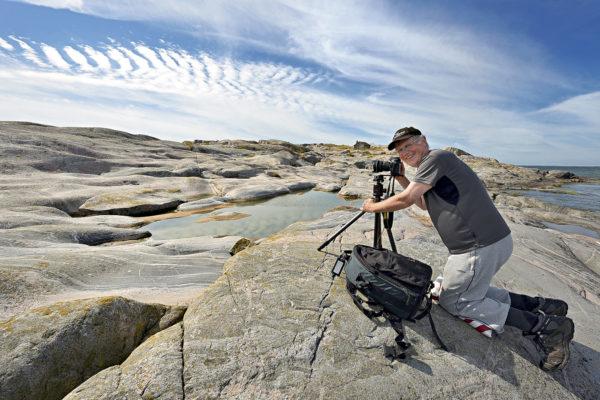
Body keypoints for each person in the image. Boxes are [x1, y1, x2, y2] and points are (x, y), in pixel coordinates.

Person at [361, 126, 574, 371]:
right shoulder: (431, 167)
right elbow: (421, 203)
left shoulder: (435, 158)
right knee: (473, 291)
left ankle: (547, 327)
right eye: (400, 150)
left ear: (424, 141)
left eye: (409, 145)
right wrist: (401, 178)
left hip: (477, 246)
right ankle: (541, 305)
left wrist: (372, 207)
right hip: (489, 242)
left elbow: (406, 200)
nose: (405, 152)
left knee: (455, 302)